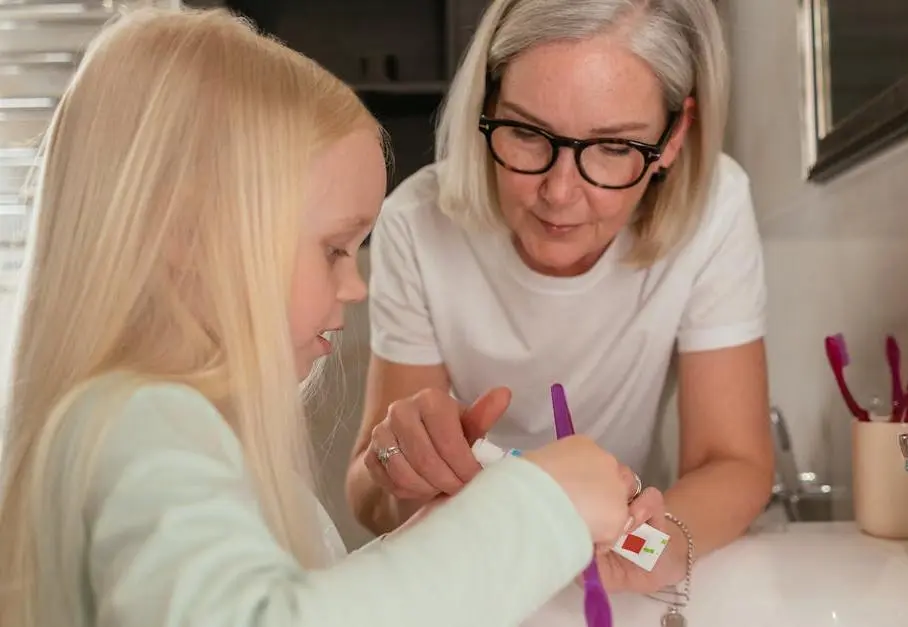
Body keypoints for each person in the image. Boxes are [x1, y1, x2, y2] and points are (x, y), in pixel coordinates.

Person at [0, 8, 642, 627]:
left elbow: (308, 604)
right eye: (335, 249)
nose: (355, 285)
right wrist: (538, 507)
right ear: (189, 233)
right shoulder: (145, 424)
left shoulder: (153, 428)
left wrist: (448, 535)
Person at [348, 0, 775, 596]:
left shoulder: (715, 210)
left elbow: (735, 461)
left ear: (675, 136)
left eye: (613, 148)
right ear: (487, 107)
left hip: (615, 560)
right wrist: (405, 472)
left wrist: (656, 545)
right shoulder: (417, 223)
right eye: (526, 132)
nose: (559, 192)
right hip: (473, 567)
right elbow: (368, 492)